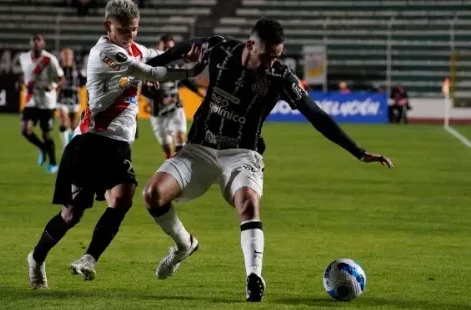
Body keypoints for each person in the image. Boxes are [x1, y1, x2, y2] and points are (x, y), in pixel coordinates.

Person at [143, 17, 394, 302]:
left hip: (243, 153)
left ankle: (254, 277)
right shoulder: (220, 49)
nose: (270, 63)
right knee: (152, 194)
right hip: (199, 148)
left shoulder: (280, 77)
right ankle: (183, 245)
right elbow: (184, 47)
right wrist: (153, 65)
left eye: (276, 57)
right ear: (250, 45)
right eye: (266, 56)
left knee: (248, 202)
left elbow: (316, 114)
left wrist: (358, 151)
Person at [26, 0, 203, 289]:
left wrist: (195, 47)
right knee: (72, 214)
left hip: (118, 144)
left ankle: (89, 259)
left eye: (134, 29)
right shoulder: (104, 52)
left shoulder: (135, 48)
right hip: (89, 142)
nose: (130, 34)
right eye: (124, 29)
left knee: (122, 198)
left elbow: (162, 56)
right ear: (107, 26)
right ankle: (36, 258)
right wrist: (189, 73)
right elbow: (148, 72)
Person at [141, 34, 205, 158]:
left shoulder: (176, 64)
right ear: (158, 47)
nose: (167, 51)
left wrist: (198, 92)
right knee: (167, 151)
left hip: (176, 108)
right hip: (158, 113)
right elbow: (144, 91)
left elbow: (184, 80)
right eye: (165, 47)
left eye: (170, 48)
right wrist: (162, 99)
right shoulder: (150, 66)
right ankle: (170, 165)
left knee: (180, 140)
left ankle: (178, 170)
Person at [19, 34, 65, 174]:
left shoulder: (50, 59)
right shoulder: (23, 57)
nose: (36, 44)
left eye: (39, 41)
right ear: (30, 43)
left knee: (46, 135)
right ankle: (42, 148)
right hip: (31, 99)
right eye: (34, 41)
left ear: (43, 44)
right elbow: (26, 75)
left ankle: (52, 163)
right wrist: (21, 82)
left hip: (47, 102)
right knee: (25, 130)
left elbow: (61, 78)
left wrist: (53, 86)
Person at [57, 47, 82, 150]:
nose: (67, 56)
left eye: (69, 54)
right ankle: (65, 147)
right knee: (63, 120)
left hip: (74, 98)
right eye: (65, 54)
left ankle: (71, 144)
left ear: (72, 56)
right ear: (62, 56)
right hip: (62, 97)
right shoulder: (57, 69)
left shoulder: (78, 69)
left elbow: (83, 82)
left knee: (72, 124)